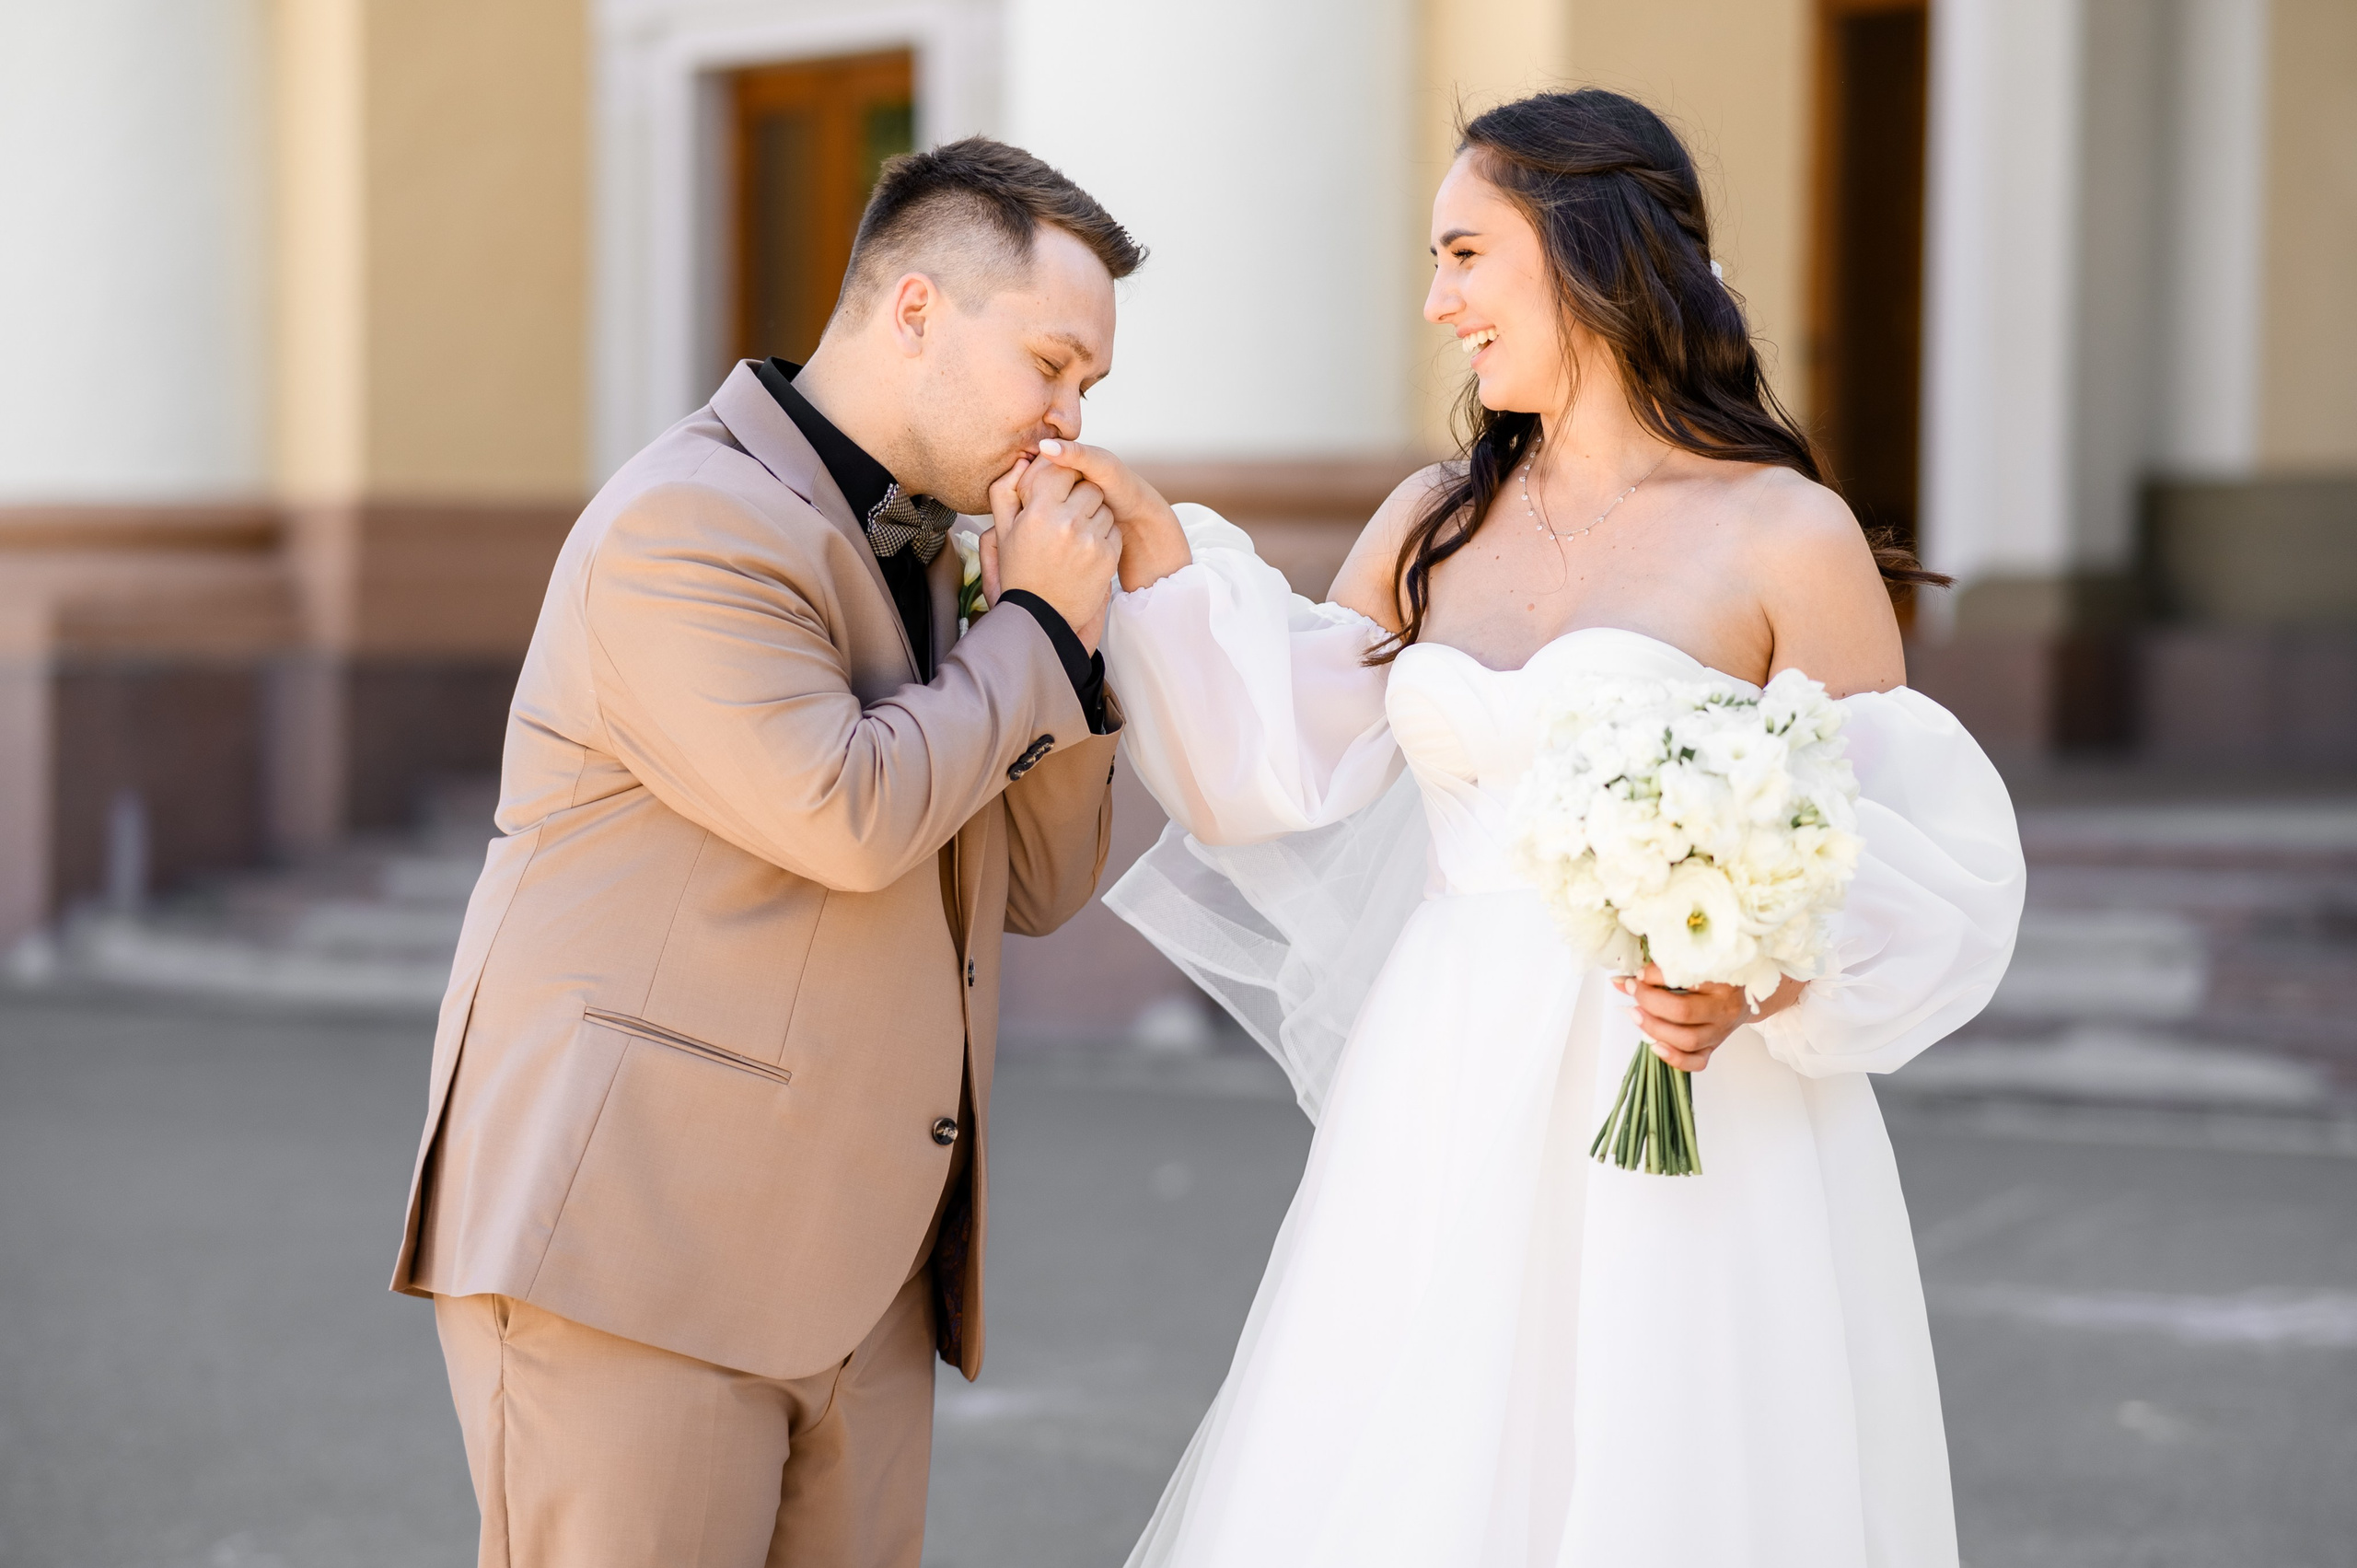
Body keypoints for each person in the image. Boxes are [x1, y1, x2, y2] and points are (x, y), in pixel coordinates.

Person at [1026, 89, 2026, 1566]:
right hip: (1437, 1093)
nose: (1438, 304)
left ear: (1587, 248)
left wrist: (1756, 982)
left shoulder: (1783, 534)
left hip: (1690, 1108)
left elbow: (1895, 844)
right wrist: (1160, 560)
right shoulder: (1435, 519)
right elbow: (1275, 761)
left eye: (1464, 254)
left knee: (1666, 1474)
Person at [388, 136, 1142, 1568]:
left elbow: (1039, 886)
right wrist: (1032, 635)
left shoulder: (947, 556)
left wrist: (1069, 642)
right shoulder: (688, 521)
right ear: (916, 310)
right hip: (634, 1261)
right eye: (1052, 365)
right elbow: (846, 811)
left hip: (865, 1279)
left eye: (1089, 387)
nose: (1067, 421)